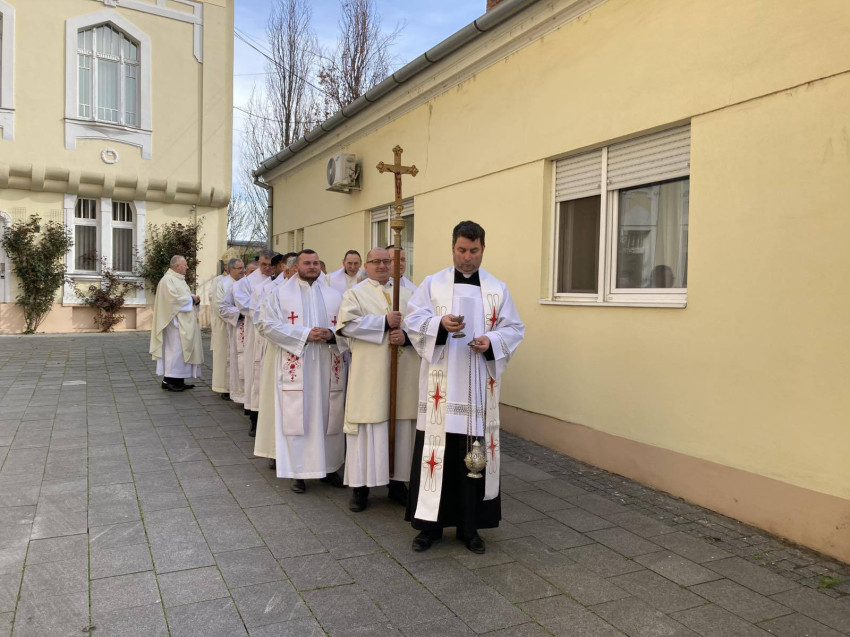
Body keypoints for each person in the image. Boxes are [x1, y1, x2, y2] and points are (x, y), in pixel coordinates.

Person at [404, 221, 524, 554]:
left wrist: (491, 341)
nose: (467, 257)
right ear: (453, 248)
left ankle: (470, 528)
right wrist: (439, 325)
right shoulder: (433, 284)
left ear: (483, 249)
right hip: (440, 391)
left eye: (473, 250)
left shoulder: (498, 289)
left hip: (477, 389)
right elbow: (413, 321)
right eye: (461, 250)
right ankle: (429, 528)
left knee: (473, 458)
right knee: (435, 456)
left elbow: (514, 329)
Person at [256, 249, 347, 493]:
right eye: (307, 263)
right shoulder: (280, 294)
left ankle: (329, 468)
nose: (312, 267)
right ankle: (298, 472)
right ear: (297, 266)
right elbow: (265, 324)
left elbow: (347, 327)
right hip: (297, 365)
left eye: (316, 263)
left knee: (329, 415)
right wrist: (305, 334)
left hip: (328, 366)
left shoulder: (335, 295)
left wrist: (331, 334)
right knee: (298, 417)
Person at [337, 248, 418, 512]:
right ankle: (361, 488)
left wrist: (405, 337)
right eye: (376, 262)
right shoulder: (355, 294)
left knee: (402, 426)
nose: (382, 266)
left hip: (403, 375)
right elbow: (346, 326)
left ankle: (398, 484)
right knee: (368, 426)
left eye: (387, 261)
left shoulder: (411, 293)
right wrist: (383, 323)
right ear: (367, 265)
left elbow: (422, 327)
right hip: (369, 376)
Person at [149, 255, 204, 392]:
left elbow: (181, 298)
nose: (187, 267)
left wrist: (193, 300)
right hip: (174, 324)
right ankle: (168, 381)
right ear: (177, 266)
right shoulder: (167, 280)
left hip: (183, 321)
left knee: (181, 352)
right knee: (175, 351)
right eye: (185, 265)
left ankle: (179, 380)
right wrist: (192, 300)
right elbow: (173, 301)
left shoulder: (179, 279)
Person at [235, 250, 274, 426]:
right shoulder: (247, 282)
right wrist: (262, 309)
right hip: (255, 330)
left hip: (273, 331)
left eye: (271, 264)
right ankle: (253, 412)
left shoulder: (280, 280)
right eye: (264, 264)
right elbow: (243, 304)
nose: (267, 268)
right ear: (258, 264)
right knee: (255, 371)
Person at [219, 261, 257, 405]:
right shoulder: (236, 287)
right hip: (242, 330)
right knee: (242, 363)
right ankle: (243, 396)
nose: (254, 275)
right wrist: (240, 313)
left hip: (259, 334)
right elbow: (223, 308)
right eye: (251, 271)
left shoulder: (268, 287)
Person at [211, 259, 244, 399]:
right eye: (239, 268)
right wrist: (240, 314)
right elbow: (219, 306)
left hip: (242, 327)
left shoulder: (245, 283)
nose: (242, 270)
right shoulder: (222, 284)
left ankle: (238, 388)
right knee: (225, 357)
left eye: (243, 267)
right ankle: (225, 387)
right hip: (225, 327)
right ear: (230, 270)